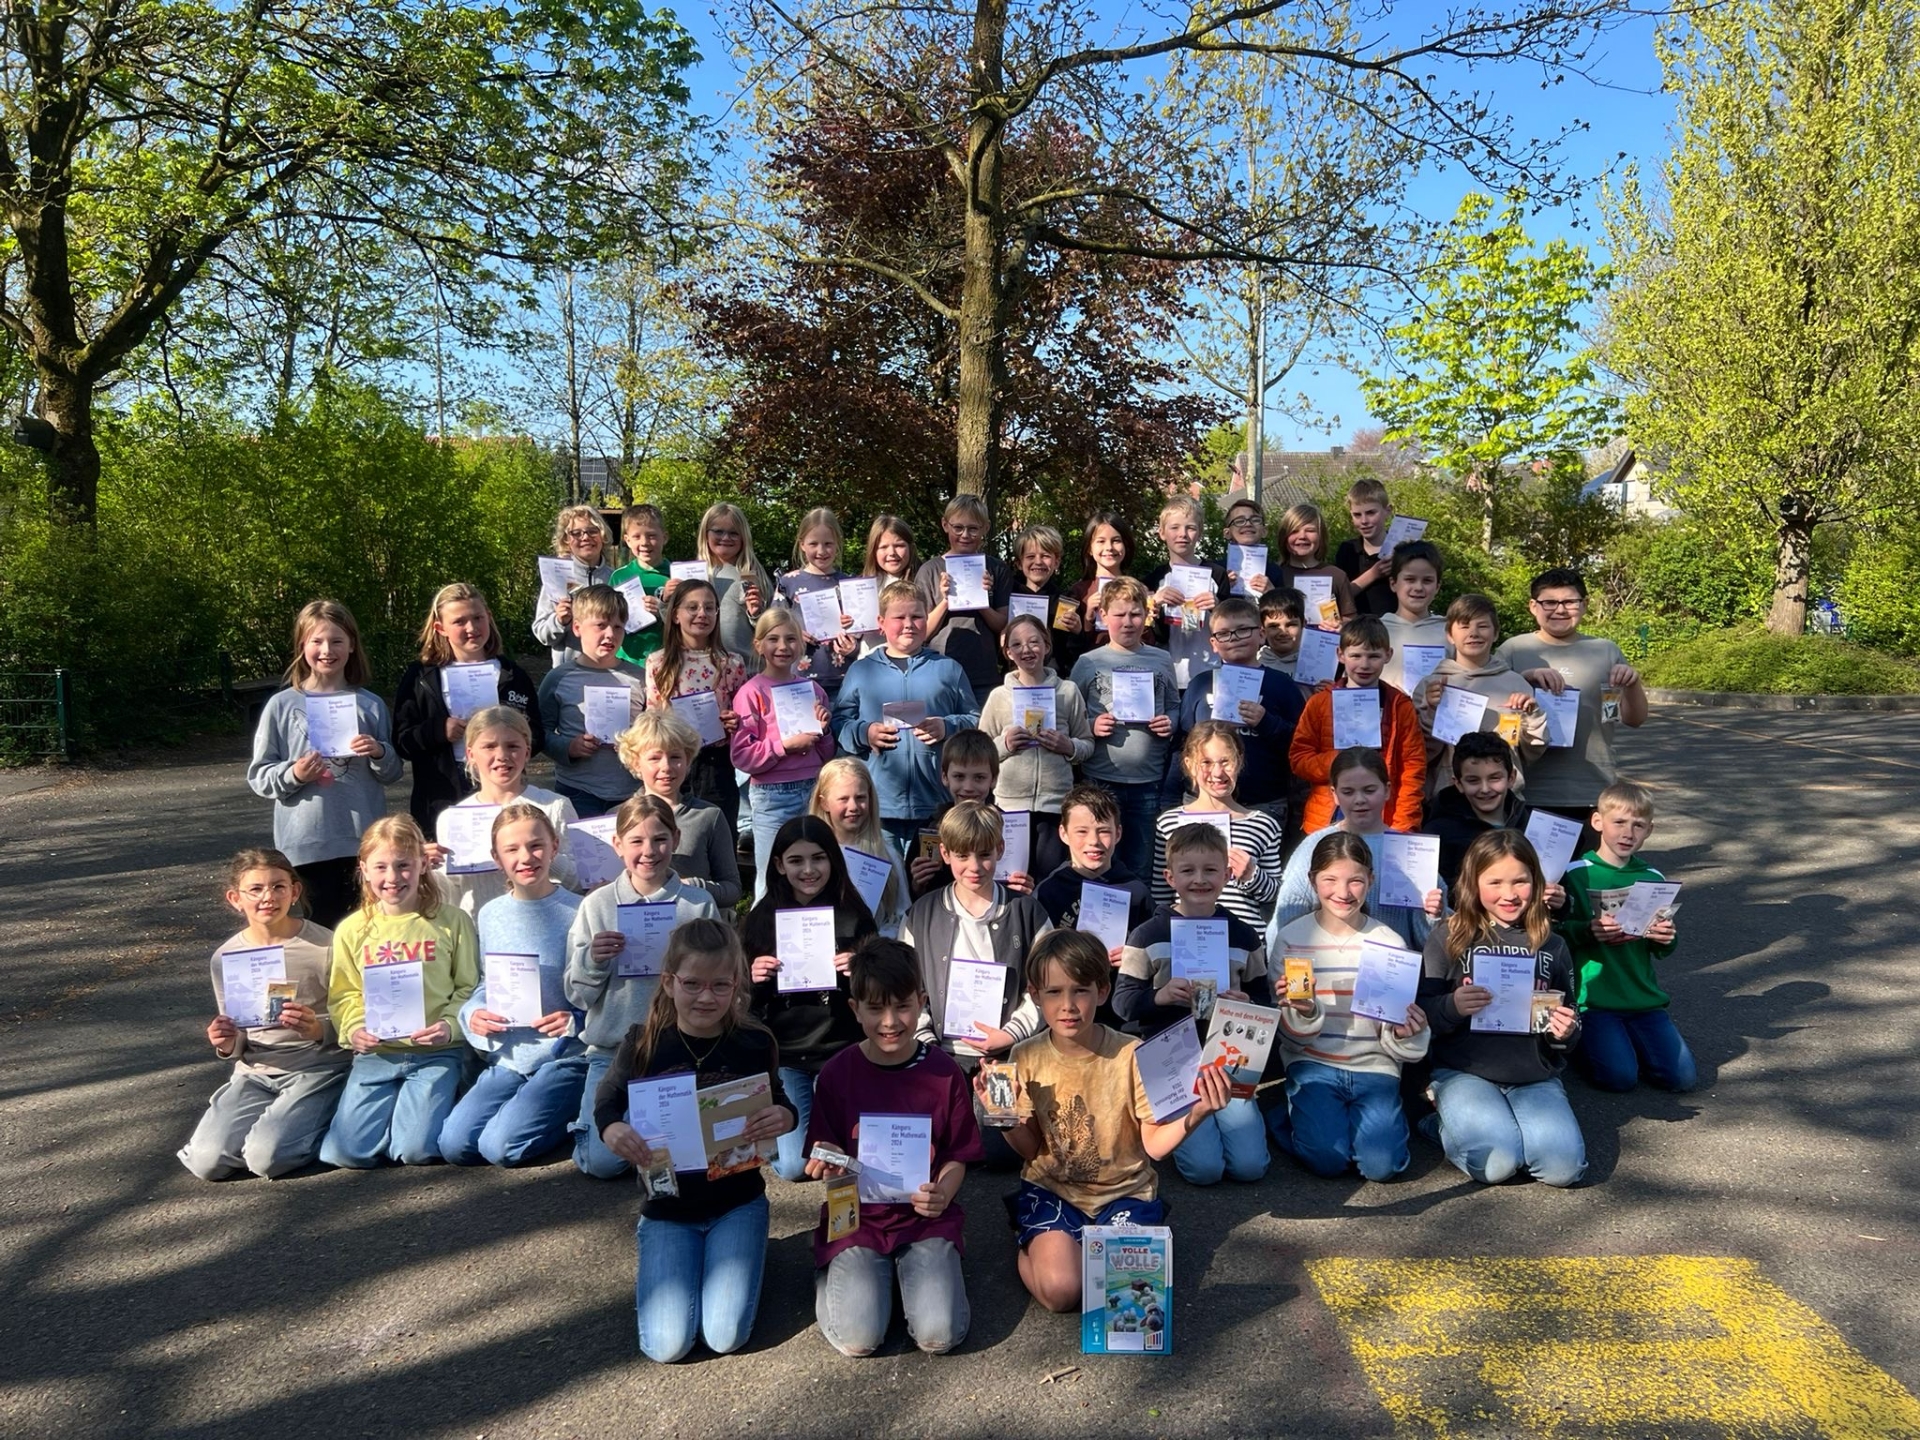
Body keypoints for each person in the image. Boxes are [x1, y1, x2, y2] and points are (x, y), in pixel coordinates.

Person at [997, 930, 1230, 1311]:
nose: (1068, 1005)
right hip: (1054, 1190)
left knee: (1125, 1303)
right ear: (1035, 995)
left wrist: (1200, 1110)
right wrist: (1004, 1118)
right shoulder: (1024, 1055)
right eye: (1053, 992)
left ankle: (1078, 1247)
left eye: (1081, 991)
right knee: (1062, 1293)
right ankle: (1029, 1244)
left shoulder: (1132, 1053)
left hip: (1123, 1193)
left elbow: (1153, 1146)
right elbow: (1030, 1147)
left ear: (1103, 991)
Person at [595, 919, 794, 1362]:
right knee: (667, 1346)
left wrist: (783, 1115)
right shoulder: (643, 1043)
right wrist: (612, 1128)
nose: (706, 997)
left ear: (738, 985)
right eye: (693, 983)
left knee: (725, 1336)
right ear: (668, 982)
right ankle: (693, 1256)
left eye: (720, 985)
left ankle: (747, 1249)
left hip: (736, 1203)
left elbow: (779, 1099)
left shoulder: (753, 1041)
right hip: (668, 1209)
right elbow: (606, 1100)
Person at [804, 938, 984, 1357]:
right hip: (857, 1219)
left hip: (924, 1220)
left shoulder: (943, 1072)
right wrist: (826, 1162)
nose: (890, 1021)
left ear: (921, 1002)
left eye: (903, 1006)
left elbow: (959, 1153)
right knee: (858, 1340)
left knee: (940, 1336)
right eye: (875, 1009)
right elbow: (823, 1150)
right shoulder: (836, 1074)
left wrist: (944, 1192)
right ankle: (836, 1273)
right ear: (855, 1010)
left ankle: (916, 1277)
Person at [1418, 830, 1586, 1187]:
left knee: (1563, 1169)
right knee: (1496, 1166)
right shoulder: (1449, 935)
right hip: (1464, 1072)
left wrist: (1566, 1032)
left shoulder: (1552, 945)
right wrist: (1453, 1005)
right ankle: (1439, 1121)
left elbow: (1571, 1019)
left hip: (1532, 1075)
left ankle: (1502, 1129)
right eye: (1494, 882)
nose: (1509, 894)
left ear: (1536, 883)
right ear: (1472, 884)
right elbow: (1421, 1014)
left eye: (1520, 881)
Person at [564, 794, 720, 1179]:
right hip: (613, 1050)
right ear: (617, 845)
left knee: (688, 1156)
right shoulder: (597, 905)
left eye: (660, 839)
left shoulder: (698, 905)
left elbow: (723, 985)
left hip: (680, 1051)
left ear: (676, 839)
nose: (649, 851)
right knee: (603, 1163)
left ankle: (650, 1126)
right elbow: (577, 994)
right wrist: (593, 959)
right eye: (636, 841)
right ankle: (589, 1126)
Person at [318, 816, 479, 1168]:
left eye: (403, 865)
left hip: (436, 1052)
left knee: (414, 1150)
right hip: (378, 1054)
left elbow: (468, 985)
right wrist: (354, 1029)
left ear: (423, 864)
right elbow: (344, 994)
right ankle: (391, 1112)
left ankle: (441, 1098)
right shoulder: (352, 930)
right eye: (381, 867)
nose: (392, 878)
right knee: (343, 1153)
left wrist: (450, 1027)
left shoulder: (452, 921)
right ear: (363, 870)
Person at [178, 848, 348, 1180]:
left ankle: (329, 1119)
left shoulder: (326, 946)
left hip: (319, 1067)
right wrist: (226, 1042)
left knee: (266, 1159)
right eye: (255, 889)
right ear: (235, 898)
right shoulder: (226, 956)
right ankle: (279, 1125)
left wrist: (318, 1028)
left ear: (294, 891)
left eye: (278, 887)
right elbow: (238, 1037)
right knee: (207, 1163)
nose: (267, 897)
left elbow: (356, 1017)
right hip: (255, 1071)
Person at [1116, 822, 1272, 1184]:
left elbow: (1265, 1001)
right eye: (1188, 871)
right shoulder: (1148, 935)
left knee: (1250, 1168)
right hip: (1172, 1064)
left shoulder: (1244, 937)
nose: (1199, 879)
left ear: (1227, 874)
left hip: (1227, 1059)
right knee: (1205, 1170)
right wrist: (1161, 995)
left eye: (1210, 870)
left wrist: (1248, 1002)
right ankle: (1155, 1120)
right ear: (1170, 877)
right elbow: (1123, 1004)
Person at [1269, 831, 1430, 1180]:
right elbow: (1292, 1039)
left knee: (1382, 1167)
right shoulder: (1292, 939)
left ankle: (1350, 1121)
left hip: (1375, 1067)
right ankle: (1287, 1112)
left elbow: (1398, 1037)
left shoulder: (1388, 942)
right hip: (1312, 1064)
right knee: (1328, 1161)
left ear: (1370, 881)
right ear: (1313, 881)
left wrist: (1406, 1031)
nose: (1342, 893)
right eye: (1330, 880)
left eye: (1355, 881)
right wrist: (1306, 1012)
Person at [438, 804, 586, 1166]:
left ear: (554, 845)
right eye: (512, 849)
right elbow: (486, 984)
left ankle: (579, 1115)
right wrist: (472, 1013)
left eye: (536, 845)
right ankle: (528, 1108)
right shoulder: (491, 913)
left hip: (565, 1055)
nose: (526, 857)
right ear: (496, 857)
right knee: (455, 1146)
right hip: (508, 1056)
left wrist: (576, 1021)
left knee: (500, 1148)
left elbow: (602, 990)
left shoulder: (582, 911)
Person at [247, 599, 404, 928]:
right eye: (316, 641)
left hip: (362, 842)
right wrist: (294, 773)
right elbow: (260, 776)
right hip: (306, 845)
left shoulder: (369, 705)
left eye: (336, 641)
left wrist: (378, 752)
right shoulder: (282, 706)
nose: (326, 650)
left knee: (366, 929)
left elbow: (392, 772)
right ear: (302, 645)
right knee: (318, 935)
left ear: (351, 646)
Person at [742, 816, 877, 1181]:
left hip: (841, 1050)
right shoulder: (760, 920)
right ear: (778, 865)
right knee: (793, 1167)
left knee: (856, 1151)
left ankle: (830, 1114)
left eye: (818, 858)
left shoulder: (854, 915)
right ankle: (791, 1131)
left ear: (833, 860)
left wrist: (861, 970)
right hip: (788, 1057)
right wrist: (753, 979)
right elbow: (743, 1005)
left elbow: (878, 995)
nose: (809, 870)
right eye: (796, 860)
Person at [1496, 567, 1649, 847]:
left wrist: (1633, 684)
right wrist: (1523, 680)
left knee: (1588, 881)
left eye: (1570, 602)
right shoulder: (1513, 651)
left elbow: (1633, 719)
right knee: (1538, 884)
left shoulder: (1605, 651)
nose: (1560, 610)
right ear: (1533, 606)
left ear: (1585, 605)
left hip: (1593, 789)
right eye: (1549, 602)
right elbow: (1494, 713)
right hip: (1527, 791)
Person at [1560, 780, 1695, 1094]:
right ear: (1597, 822)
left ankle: (1628, 1045)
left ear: (1649, 830)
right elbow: (1555, 935)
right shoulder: (1575, 872)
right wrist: (1586, 930)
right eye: (1618, 822)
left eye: (1638, 825)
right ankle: (1582, 1044)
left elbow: (1663, 949)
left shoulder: (1652, 877)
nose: (1627, 833)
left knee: (1682, 1079)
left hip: (1643, 999)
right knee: (1619, 1079)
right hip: (1594, 1000)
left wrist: (1665, 937)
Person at [900, 802, 1053, 1080]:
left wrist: (1010, 1034)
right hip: (938, 1059)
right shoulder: (920, 915)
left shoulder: (1029, 912)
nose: (974, 866)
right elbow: (906, 988)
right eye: (962, 855)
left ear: (1000, 850)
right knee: (946, 1125)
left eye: (984, 854)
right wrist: (927, 1044)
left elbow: (1048, 985)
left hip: (1008, 1058)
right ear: (945, 853)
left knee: (999, 1123)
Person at [831, 580, 978, 861]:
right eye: (899, 617)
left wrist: (947, 726)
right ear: (881, 622)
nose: (909, 624)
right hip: (879, 806)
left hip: (936, 804)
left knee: (927, 881)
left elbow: (975, 719)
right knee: (885, 885)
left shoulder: (947, 668)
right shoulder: (861, 671)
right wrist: (865, 733)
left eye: (917, 616)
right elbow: (839, 722)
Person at [392, 582, 543, 831]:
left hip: (504, 793)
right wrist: (439, 731)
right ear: (440, 628)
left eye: (477, 618)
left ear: (489, 618)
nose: (471, 628)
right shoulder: (421, 677)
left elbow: (537, 735)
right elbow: (402, 741)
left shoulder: (511, 674)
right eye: (460, 621)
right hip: (442, 797)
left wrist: (509, 736)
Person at [1267, 747, 1446, 953]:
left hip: (1392, 973)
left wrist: (1433, 915)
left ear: (1387, 790)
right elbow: (1287, 919)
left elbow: (1431, 943)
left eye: (1369, 790)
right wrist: (1281, 970)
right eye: (1348, 792)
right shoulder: (1314, 846)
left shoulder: (1412, 853)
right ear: (1334, 794)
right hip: (1326, 972)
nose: (1359, 799)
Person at [1069, 576, 1178, 881]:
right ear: (1103, 616)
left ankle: (1135, 927)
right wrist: (1090, 725)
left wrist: (1170, 722)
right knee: (1098, 864)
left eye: (1135, 614)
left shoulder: (1161, 659)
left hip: (1148, 780)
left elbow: (1174, 706)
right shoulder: (1089, 661)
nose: (1128, 622)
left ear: (1147, 615)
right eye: (1119, 615)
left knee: (1140, 865)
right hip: (1100, 780)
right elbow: (1069, 714)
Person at [1164, 596, 1305, 817]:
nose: (1234, 638)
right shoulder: (1200, 684)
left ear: (1261, 634)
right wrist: (1170, 800)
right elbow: (1182, 745)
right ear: (1213, 644)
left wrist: (1266, 722)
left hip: (1263, 804)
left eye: (1243, 630)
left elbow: (1300, 745)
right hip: (1201, 802)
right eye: (1223, 633)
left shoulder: (1282, 685)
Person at [977, 614, 1093, 882]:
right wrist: (1004, 744)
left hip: (1054, 807)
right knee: (1011, 881)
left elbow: (1087, 744)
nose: (1026, 650)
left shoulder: (1067, 691)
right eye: (1016, 645)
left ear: (1047, 645)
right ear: (1007, 653)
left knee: (1049, 882)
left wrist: (1069, 746)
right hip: (1009, 807)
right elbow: (979, 753)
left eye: (1033, 642)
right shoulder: (999, 696)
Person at [433, 706, 580, 916]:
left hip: (544, 923)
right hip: (479, 930)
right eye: (489, 746)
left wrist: (544, 854)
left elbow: (578, 882)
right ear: (470, 754)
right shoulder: (452, 818)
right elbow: (452, 893)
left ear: (527, 752)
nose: (501, 755)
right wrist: (424, 870)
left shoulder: (554, 806)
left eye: (512, 746)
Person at [732, 608, 836, 900]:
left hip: (813, 790)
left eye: (790, 639)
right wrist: (784, 747)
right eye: (773, 639)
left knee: (816, 873)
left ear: (801, 645)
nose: (782, 647)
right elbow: (742, 756)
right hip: (771, 795)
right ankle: (761, 941)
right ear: (759, 645)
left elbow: (826, 754)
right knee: (770, 878)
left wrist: (825, 731)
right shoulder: (751, 693)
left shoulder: (813, 690)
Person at [1289, 616, 1427, 834]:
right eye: (1356, 656)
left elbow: (1412, 769)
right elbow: (1299, 759)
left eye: (1373, 656)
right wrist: (1338, 758)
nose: (1364, 665)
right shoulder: (1320, 703)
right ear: (1340, 655)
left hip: (1384, 813)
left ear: (1388, 655)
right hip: (1330, 813)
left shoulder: (1400, 706)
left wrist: (1403, 822)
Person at [1151, 722, 1286, 930]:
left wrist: (1252, 875)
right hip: (1186, 939)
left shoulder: (1262, 824)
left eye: (1226, 762)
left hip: (1243, 942)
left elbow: (1276, 895)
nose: (1217, 773)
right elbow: (1161, 894)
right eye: (1206, 762)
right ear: (1188, 764)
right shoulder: (1169, 823)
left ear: (1239, 761)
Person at [1415, 592, 1548, 797]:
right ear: (1450, 635)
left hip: (1504, 799)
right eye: (1464, 626)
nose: (1474, 633)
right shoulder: (1430, 685)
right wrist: (1430, 711)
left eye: (1482, 626)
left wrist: (1532, 716)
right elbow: (1421, 753)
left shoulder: (1515, 683)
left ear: (1495, 633)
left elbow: (1532, 752)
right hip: (1448, 798)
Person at [536, 583, 647, 818]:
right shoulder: (558, 678)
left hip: (632, 792)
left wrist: (636, 743)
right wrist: (568, 747)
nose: (610, 634)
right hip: (577, 791)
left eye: (618, 627)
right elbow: (539, 731)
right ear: (576, 627)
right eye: (601, 625)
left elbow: (655, 730)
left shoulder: (641, 677)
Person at [647, 576, 748, 833]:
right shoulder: (658, 663)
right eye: (692, 607)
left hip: (717, 765)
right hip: (674, 762)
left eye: (709, 607)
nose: (702, 613)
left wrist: (735, 721)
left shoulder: (732, 663)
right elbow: (651, 718)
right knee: (669, 834)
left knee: (720, 835)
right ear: (675, 615)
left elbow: (743, 717)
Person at [618, 709, 743, 910]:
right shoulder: (617, 817)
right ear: (635, 762)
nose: (666, 767)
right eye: (654, 758)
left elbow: (732, 890)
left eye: (675, 757)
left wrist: (694, 887)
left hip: (693, 933)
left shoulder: (708, 816)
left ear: (688, 761)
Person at [915, 493, 1013, 711]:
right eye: (958, 528)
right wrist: (945, 602)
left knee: (981, 740)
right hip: (938, 672)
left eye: (973, 528)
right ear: (945, 525)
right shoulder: (929, 570)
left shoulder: (997, 569)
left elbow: (1001, 624)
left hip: (983, 674)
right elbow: (921, 632)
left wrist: (982, 600)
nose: (965, 535)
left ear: (985, 528)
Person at [1423, 732, 1542, 894]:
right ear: (1458, 783)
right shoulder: (1438, 832)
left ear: (1511, 778)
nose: (1485, 789)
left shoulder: (1531, 824)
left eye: (1494, 778)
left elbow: (1545, 881)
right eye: (1473, 781)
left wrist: (1558, 902)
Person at [1034, 784, 1156, 941]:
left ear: (1118, 834)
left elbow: (1154, 950)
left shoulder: (1137, 893)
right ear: (1064, 834)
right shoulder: (1048, 892)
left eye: (1104, 831)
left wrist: (1134, 954)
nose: (1093, 841)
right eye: (1082, 832)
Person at [811, 757, 912, 938]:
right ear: (824, 802)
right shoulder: (809, 855)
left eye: (860, 798)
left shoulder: (886, 855)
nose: (853, 807)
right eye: (843, 799)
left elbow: (901, 915)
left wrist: (876, 942)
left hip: (872, 957)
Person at [908, 727, 1011, 901]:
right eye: (959, 777)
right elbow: (913, 898)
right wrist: (917, 884)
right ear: (945, 776)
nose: (968, 787)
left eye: (979, 777)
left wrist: (1025, 888)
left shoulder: (1011, 828)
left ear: (993, 779)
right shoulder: (929, 829)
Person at [775, 506, 860, 697]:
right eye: (813, 544)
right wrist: (793, 633)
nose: (821, 551)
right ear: (802, 544)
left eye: (828, 543)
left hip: (845, 681)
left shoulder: (849, 583)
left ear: (837, 543)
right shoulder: (788, 582)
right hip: (799, 680)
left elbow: (863, 635)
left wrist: (853, 641)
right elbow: (773, 627)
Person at [1145, 495, 1225, 690]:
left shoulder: (1216, 574)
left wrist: (1218, 607)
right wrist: (1154, 602)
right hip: (1166, 671)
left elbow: (1230, 624)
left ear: (1199, 533)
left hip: (1208, 671)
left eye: (1190, 528)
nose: (1183, 534)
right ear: (1162, 533)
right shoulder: (1154, 578)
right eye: (1175, 527)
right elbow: (1144, 628)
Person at [693, 501, 773, 679]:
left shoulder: (754, 576)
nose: (726, 537)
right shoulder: (693, 575)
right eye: (718, 531)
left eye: (733, 533)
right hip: (702, 672)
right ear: (706, 534)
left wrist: (756, 614)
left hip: (746, 673)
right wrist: (665, 601)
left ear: (744, 537)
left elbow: (770, 628)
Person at [534, 505, 617, 667]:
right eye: (576, 533)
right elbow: (542, 633)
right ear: (566, 540)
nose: (585, 537)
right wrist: (559, 621)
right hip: (569, 673)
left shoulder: (616, 578)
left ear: (603, 535)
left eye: (592, 531)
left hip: (609, 672)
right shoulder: (557, 577)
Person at [1065, 509, 1139, 671]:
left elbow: (1149, 641)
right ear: (1089, 549)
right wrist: (1087, 618)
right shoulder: (1077, 593)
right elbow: (1069, 650)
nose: (1109, 547)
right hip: (1092, 674)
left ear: (1126, 545)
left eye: (1116, 540)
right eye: (1101, 541)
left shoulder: (1139, 590)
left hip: (1131, 672)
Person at [1005, 522, 1083, 669]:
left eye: (1045, 556)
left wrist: (1077, 632)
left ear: (1056, 562)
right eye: (1030, 556)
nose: (1038, 562)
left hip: (1053, 676)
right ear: (1019, 563)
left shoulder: (1065, 602)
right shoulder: (1007, 597)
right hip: (1014, 674)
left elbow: (1072, 653)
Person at [1379, 540, 1450, 696]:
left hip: (1433, 718)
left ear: (1437, 586)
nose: (1418, 587)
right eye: (1410, 579)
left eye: (1427, 581)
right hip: (1386, 718)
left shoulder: (1451, 632)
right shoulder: (1374, 630)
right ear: (1393, 583)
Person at [608, 503, 671, 667]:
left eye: (651, 535)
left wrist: (664, 611)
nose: (644, 542)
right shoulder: (619, 576)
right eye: (637, 537)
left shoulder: (676, 577)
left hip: (666, 661)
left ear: (664, 537)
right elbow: (607, 617)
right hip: (627, 660)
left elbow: (687, 620)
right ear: (627, 540)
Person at [1276, 502, 1358, 627]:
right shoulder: (1274, 574)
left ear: (1321, 536)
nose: (1302, 536)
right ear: (1284, 537)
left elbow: (1350, 619)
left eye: (1310, 530)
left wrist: (1340, 626)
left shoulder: (1337, 576)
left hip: (1325, 643)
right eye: (1294, 531)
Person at [854, 514, 921, 657]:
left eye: (899, 545)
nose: (892, 553)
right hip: (872, 665)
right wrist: (848, 622)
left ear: (910, 547)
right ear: (873, 551)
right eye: (883, 547)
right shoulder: (861, 586)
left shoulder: (922, 581)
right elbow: (855, 633)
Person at [1332, 477, 1396, 617]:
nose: (1364, 521)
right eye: (1357, 515)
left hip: (1395, 631)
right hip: (1357, 632)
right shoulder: (1347, 550)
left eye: (1371, 513)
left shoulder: (1402, 550)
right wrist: (1374, 574)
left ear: (1388, 511)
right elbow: (1338, 597)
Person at [1220, 492, 1290, 597]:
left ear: (1264, 531)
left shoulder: (1275, 572)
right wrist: (1222, 590)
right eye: (1239, 521)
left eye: (1255, 520)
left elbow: (1283, 612)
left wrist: (1272, 593)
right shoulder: (1217, 570)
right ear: (1227, 533)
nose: (1248, 524)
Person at [1258, 587, 1307, 678]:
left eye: (1291, 624)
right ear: (1262, 628)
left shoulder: (1317, 666)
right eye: (1274, 626)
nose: (1283, 632)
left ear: (1303, 624)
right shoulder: (1254, 662)